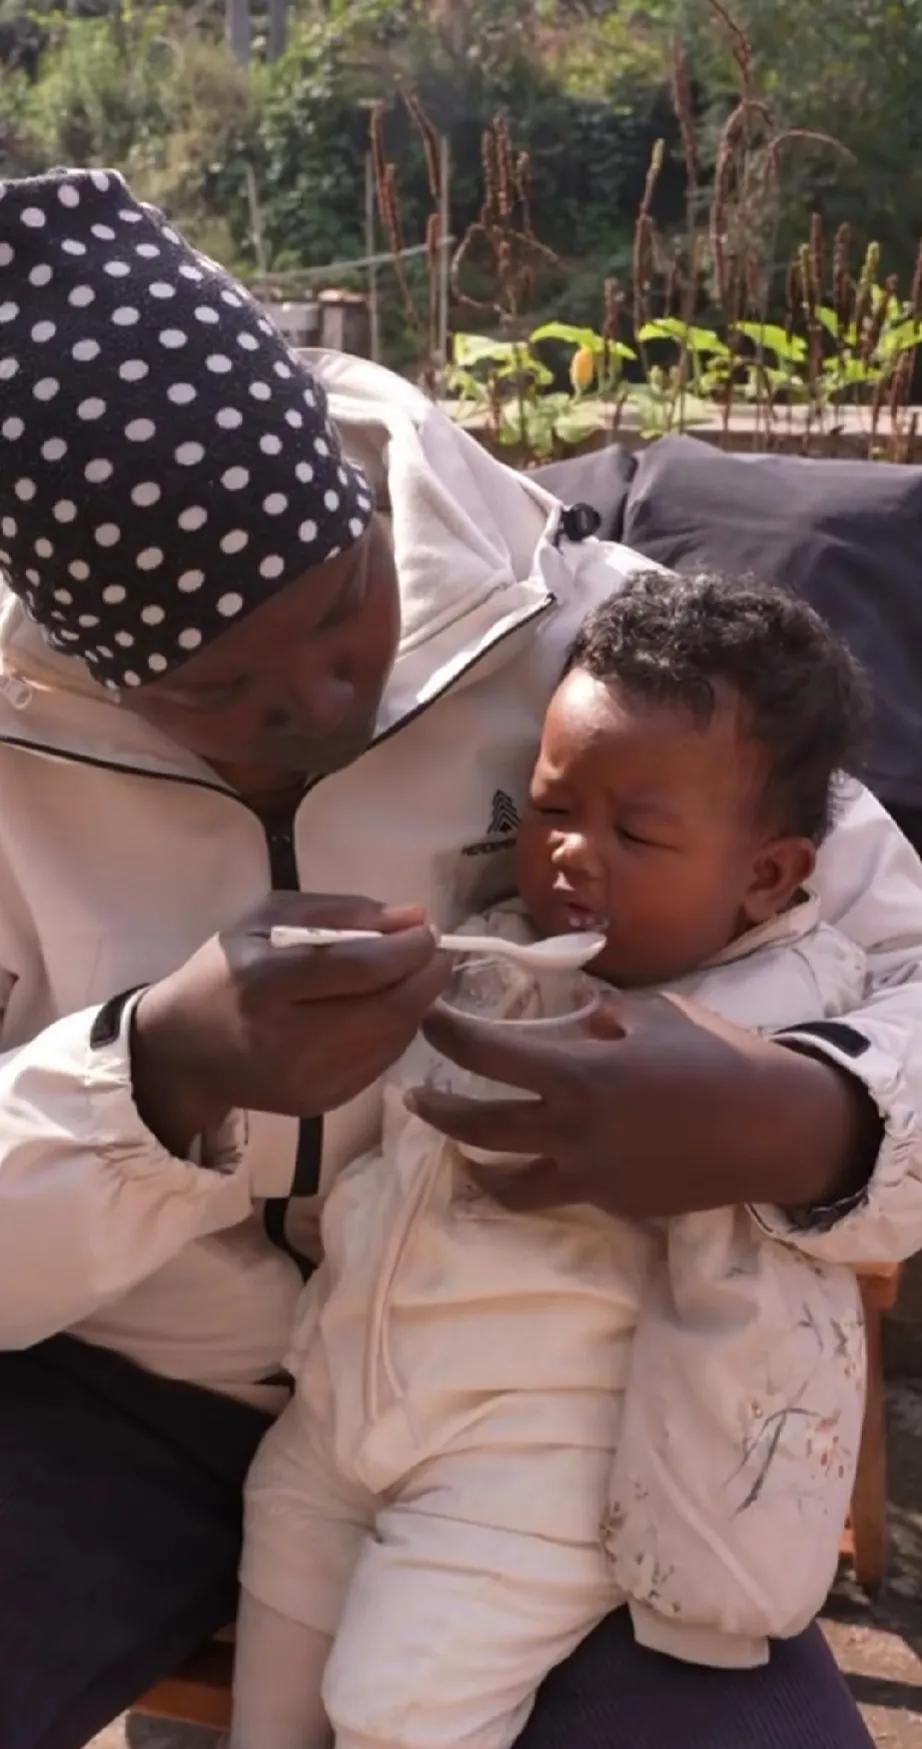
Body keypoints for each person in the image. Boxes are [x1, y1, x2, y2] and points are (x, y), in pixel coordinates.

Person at [0, 167, 916, 1749]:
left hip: (574, 1412)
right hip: (122, 1393)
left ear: (364, 513)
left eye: (343, 614)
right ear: (86, 660)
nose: (323, 703)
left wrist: (808, 1118)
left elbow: (898, 969)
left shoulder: (612, 659)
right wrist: (146, 1074)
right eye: (230, 693)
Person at [229, 571, 871, 1749]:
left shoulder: (785, 1009)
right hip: (343, 1402)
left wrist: (769, 1107)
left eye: (636, 833)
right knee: (275, 1635)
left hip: (539, 1460)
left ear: (765, 877)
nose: (572, 853)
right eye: (549, 810)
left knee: (399, 1707)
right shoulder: (500, 945)